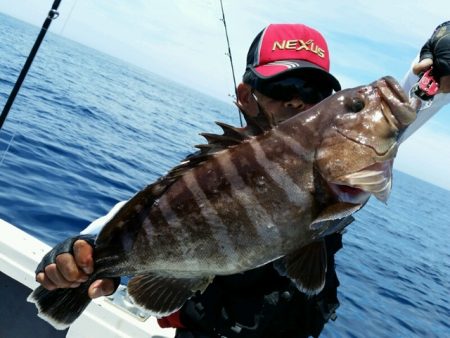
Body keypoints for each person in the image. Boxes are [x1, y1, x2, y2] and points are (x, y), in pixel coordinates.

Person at [35, 22, 450, 337]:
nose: (296, 99)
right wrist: (79, 254)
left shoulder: (339, 158)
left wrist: (435, 74)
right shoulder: (206, 172)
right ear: (245, 94)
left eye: (312, 89)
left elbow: (390, 117)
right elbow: (124, 223)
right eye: (282, 84)